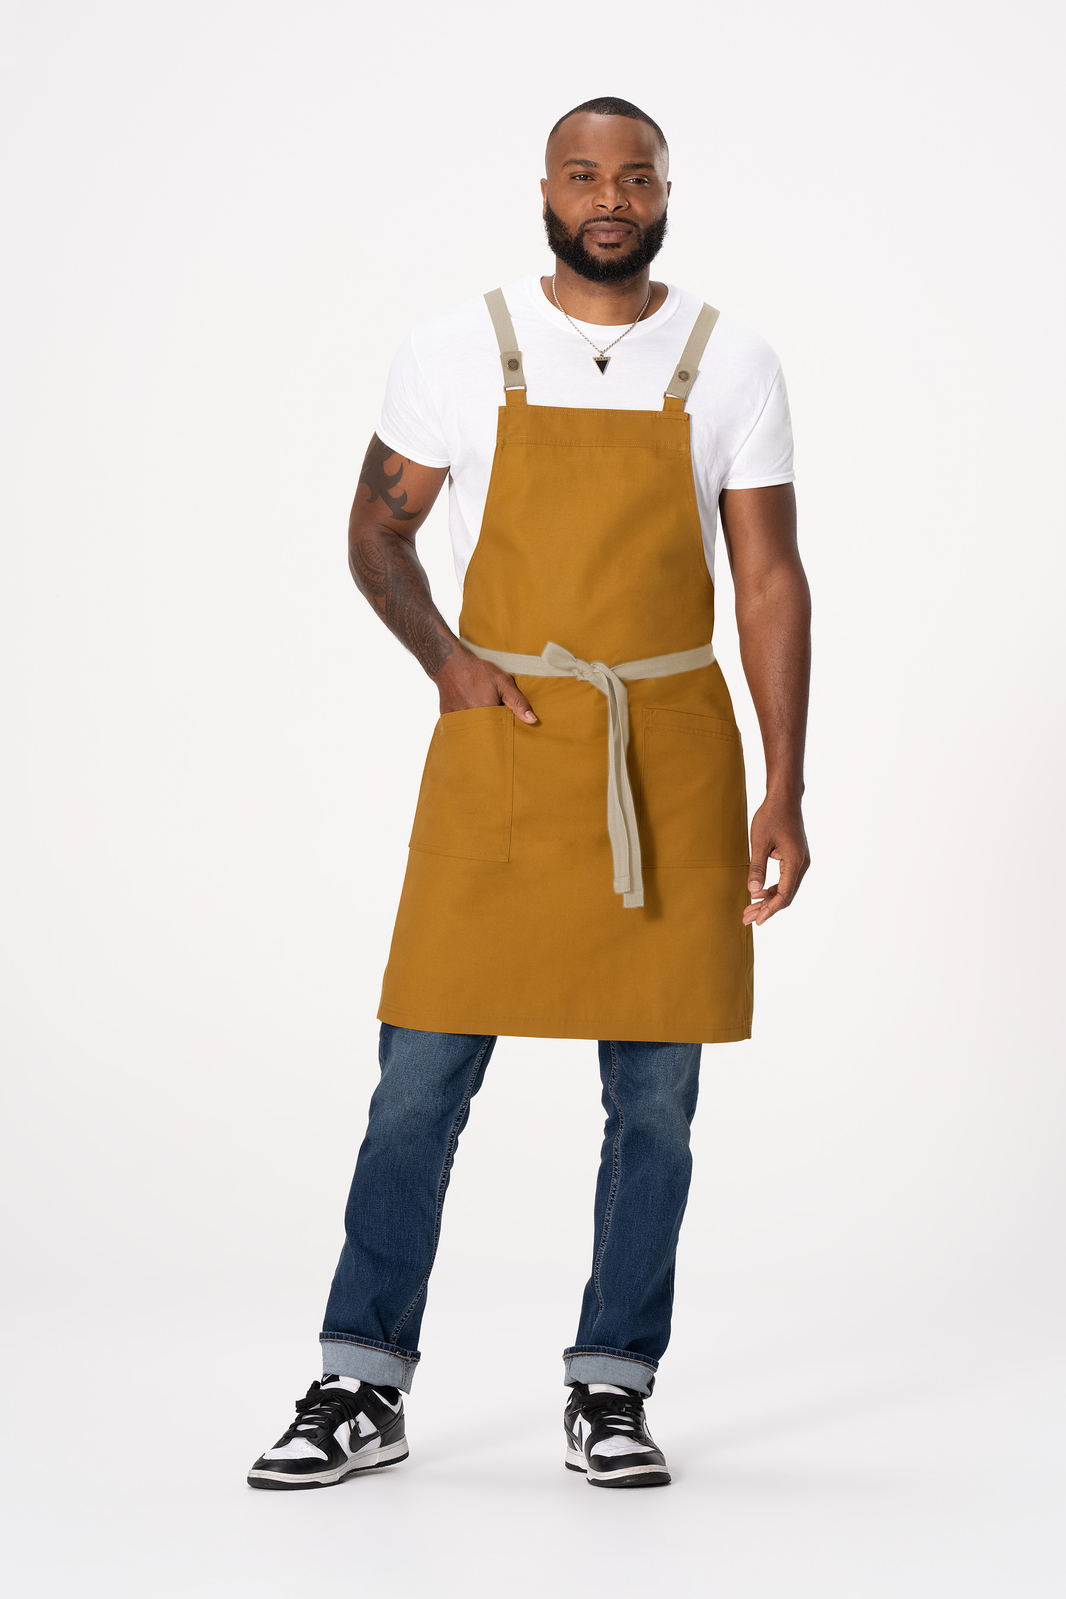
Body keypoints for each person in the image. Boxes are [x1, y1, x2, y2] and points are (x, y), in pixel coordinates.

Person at [248, 95, 811, 1493]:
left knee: (656, 1101)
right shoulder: (455, 346)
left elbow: (766, 579)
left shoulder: (731, 359)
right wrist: (446, 661)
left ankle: (613, 1383)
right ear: (546, 191)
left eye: (635, 176)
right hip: (502, 739)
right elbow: (377, 529)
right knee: (418, 1080)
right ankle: (360, 1380)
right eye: (583, 174)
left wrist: (784, 783)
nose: (609, 196)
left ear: (667, 192)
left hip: (668, 748)